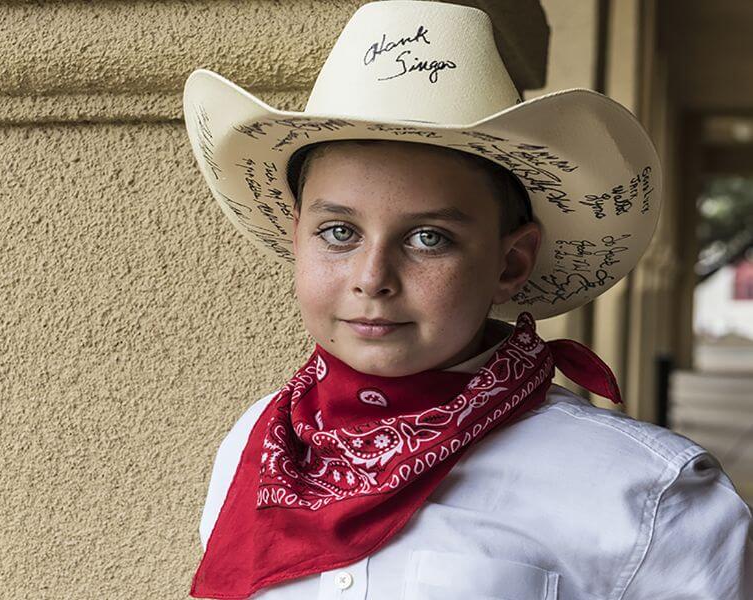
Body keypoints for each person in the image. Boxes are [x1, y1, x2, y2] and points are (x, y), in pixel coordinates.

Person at [181, 1, 753, 598]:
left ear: (510, 263)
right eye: (339, 232)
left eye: (430, 238)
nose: (372, 277)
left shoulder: (652, 497)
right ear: (299, 236)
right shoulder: (257, 445)